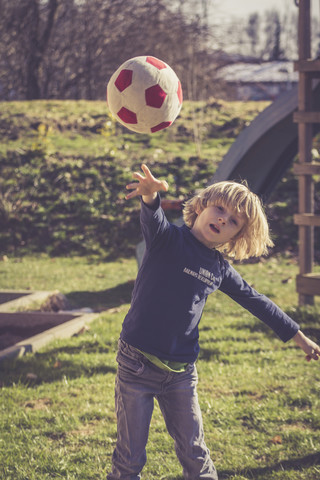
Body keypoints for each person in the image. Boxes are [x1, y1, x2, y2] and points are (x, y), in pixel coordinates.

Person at [107, 164, 320, 480]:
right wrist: (150, 195)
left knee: (195, 455)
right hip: (136, 365)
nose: (223, 218)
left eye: (233, 220)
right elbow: (152, 217)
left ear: (239, 233)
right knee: (130, 459)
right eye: (219, 209)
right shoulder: (167, 238)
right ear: (200, 207)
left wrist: (300, 336)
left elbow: (256, 301)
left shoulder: (219, 268)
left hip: (181, 373)